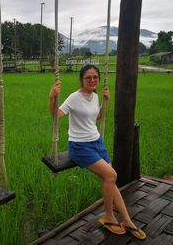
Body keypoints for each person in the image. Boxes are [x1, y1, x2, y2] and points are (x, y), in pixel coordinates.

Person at [48, 64, 147, 240]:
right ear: (81, 80)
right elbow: (57, 116)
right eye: (88, 78)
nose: (92, 80)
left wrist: (104, 103)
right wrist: (51, 98)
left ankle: (126, 219)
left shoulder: (94, 96)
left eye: (95, 77)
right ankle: (109, 217)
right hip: (80, 146)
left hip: (97, 143)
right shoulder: (73, 98)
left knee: (110, 179)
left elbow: (98, 117)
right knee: (111, 176)